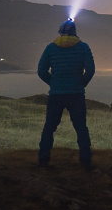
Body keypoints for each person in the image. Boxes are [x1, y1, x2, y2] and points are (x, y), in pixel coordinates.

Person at [37, 18, 96, 169]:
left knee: (49, 126)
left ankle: (43, 158)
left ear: (60, 32)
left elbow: (41, 71)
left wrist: (53, 83)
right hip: (76, 94)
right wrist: (81, 83)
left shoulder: (51, 48)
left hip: (56, 94)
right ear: (75, 32)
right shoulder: (83, 47)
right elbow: (90, 70)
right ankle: (85, 160)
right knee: (81, 127)